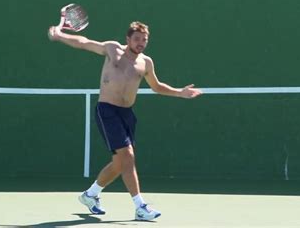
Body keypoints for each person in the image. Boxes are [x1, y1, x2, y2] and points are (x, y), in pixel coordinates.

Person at [48, 20, 202, 221]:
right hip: (107, 111)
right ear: (127, 39)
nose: (141, 43)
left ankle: (90, 195)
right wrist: (60, 36)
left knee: (120, 163)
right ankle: (140, 207)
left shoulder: (146, 62)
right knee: (128, 156)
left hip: (127, 114)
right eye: (137, 39)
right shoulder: (113, 49)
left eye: (144, 40)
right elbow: (84, 42)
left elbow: (156, 86)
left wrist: (179, 93)